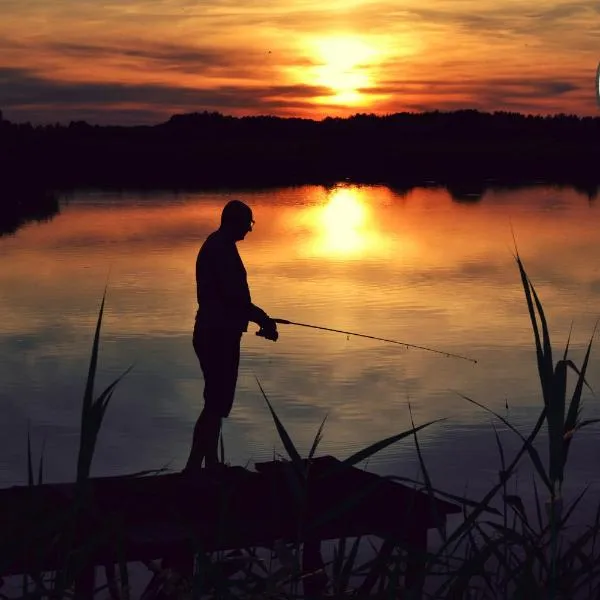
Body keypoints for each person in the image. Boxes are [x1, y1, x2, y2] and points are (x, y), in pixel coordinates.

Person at [184, 199, 278, 473]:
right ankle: (193, 468)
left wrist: (260, 318)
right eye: (249, 224)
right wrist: (263, 319)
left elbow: (233, 300)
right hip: (217, 336)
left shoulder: (219, 245)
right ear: (235, 221)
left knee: (215, 400)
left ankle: (210, 464)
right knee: (215, 402)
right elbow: (234, 299)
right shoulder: (221, 249)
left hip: (215, 333)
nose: (250, 230)